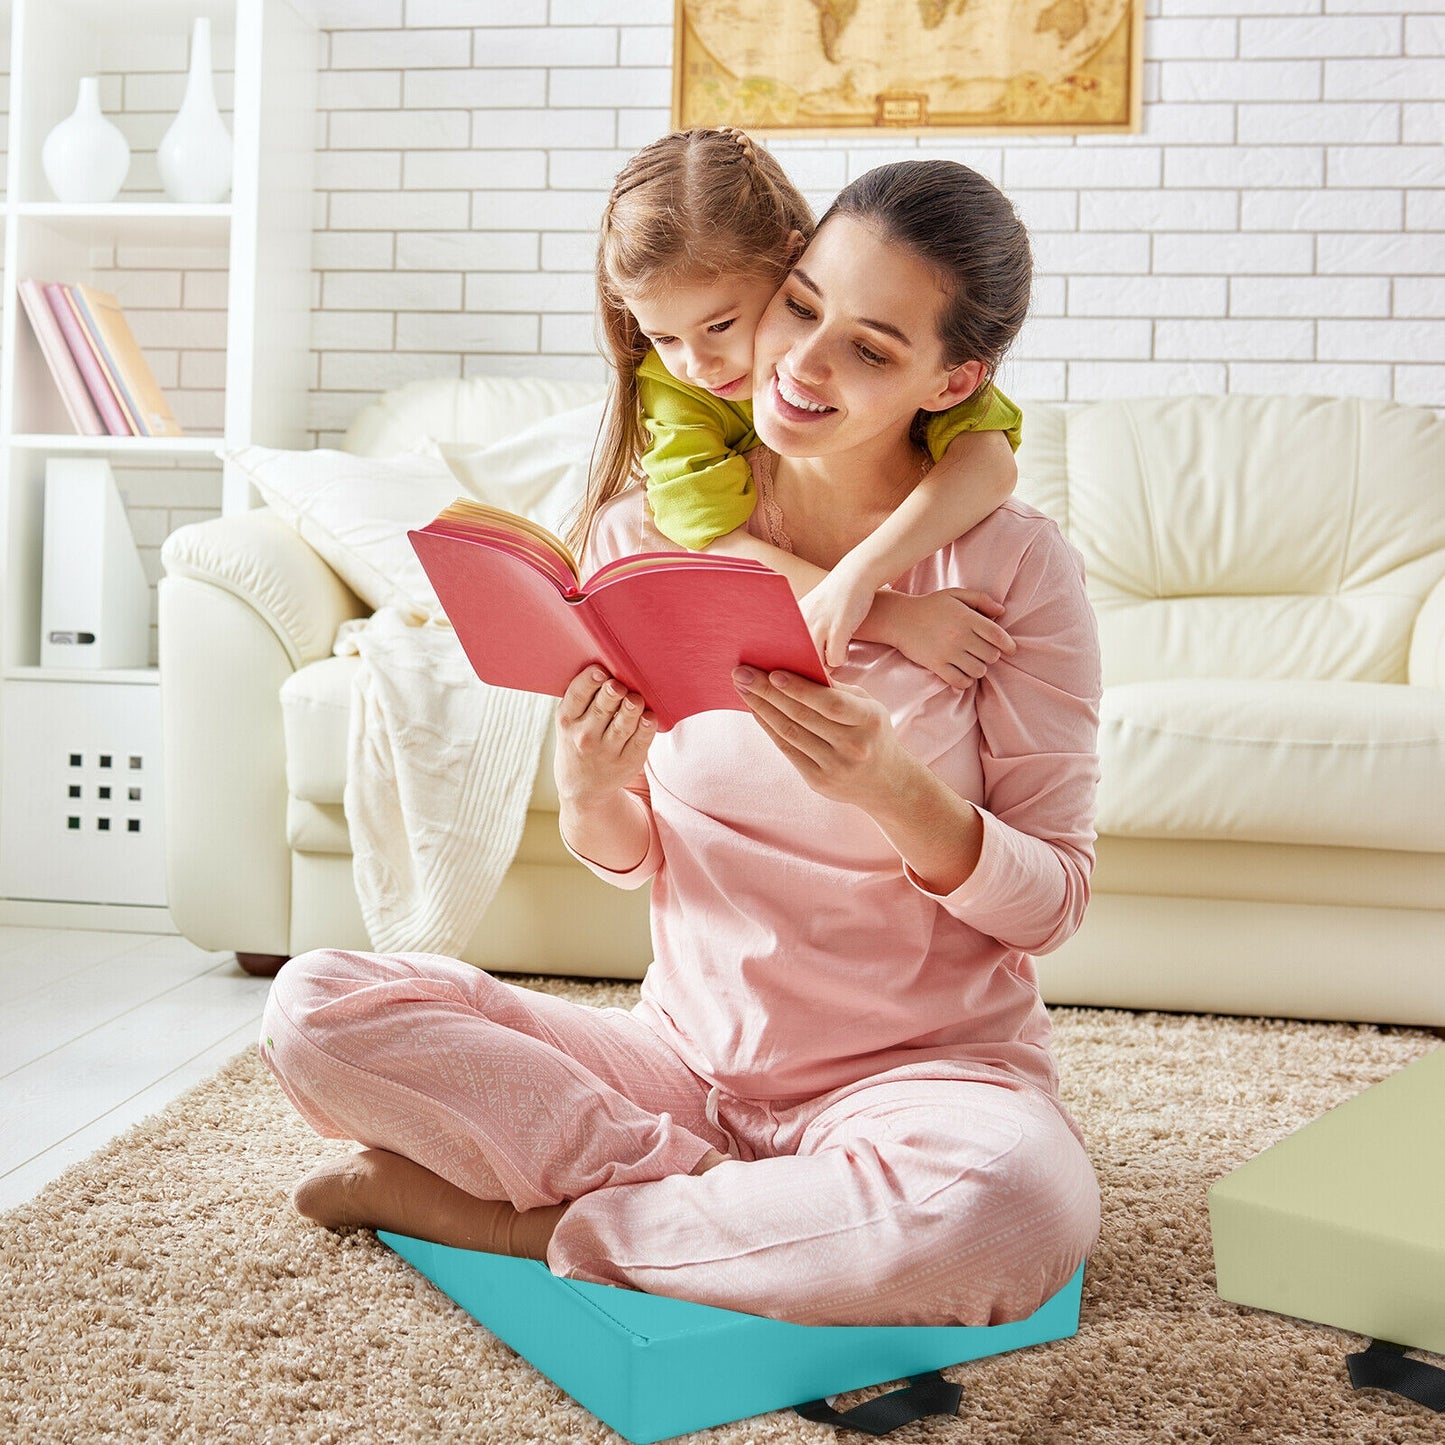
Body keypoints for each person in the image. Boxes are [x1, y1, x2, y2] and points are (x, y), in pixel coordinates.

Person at [260, 157, 1102, 1329]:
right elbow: (636, 857)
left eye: (869, 348)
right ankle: (725, 1203)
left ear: (951, 380)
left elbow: (1050, 904)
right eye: (799, 305)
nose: (801, 363)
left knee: (1006, 1205)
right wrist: (589, 786)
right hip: (680, 1066)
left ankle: (524, 1222)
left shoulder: (1012, 563)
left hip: (919, 1076)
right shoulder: (640, 531)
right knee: (314, 1007)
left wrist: (894, 790)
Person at [586, 125, 1022, 680]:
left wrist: (861, 574)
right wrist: (891, 617)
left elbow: (989, 461)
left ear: (789, 261)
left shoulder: (916, 368)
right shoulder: (677, 391)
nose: (697, 367)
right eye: (663, 338)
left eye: (721, 326)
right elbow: (711, 542)